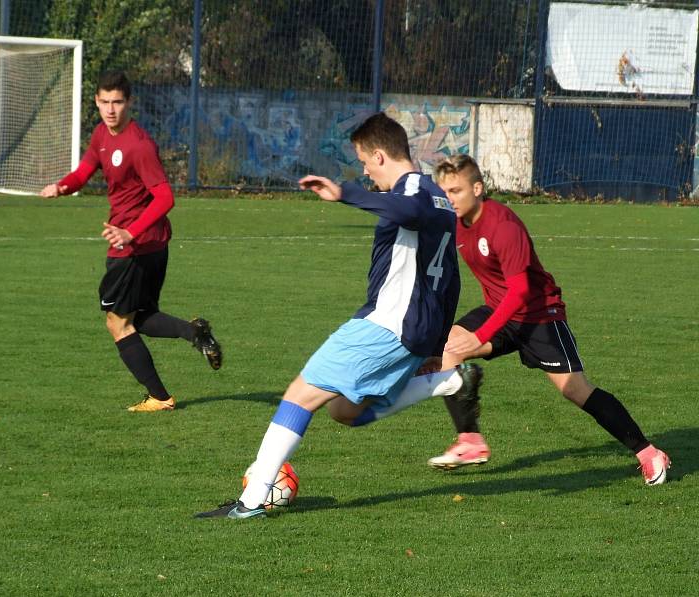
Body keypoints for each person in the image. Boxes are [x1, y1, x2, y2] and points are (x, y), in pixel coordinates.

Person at [196, 112, 480, 520]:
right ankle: (449, 381)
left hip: (387, 324)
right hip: (414, 329)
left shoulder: (416, 189)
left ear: (380, 155)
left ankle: (252, 501)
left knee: (299, 394)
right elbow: (449, 275)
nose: (365, 171)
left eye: (365, 162)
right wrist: (436, 346)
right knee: (343, 411)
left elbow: (409, 213)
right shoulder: (437, 195)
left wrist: (344, 192)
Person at [428, 154, 669, 485]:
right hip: (501, 310)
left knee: (576, 390)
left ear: (478, 188)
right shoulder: (456, 223)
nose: (450, 198)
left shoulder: (502, 226)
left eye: (456, 190)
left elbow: (520, 291)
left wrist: (480, 334)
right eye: (445, 192)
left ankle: (648, 452)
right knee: (447, 348)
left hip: (540, 314)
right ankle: (470, 441)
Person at [39, 71, 222, 412]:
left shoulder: (139, 145)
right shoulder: (101, 135)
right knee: (140, 317)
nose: (111, 110)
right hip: (150, 245)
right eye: (105, 102)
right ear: (96, 102)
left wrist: (129, 233)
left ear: (129, 102)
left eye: (118, 102)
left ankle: (160, 397)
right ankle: (194, 333)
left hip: (133, 246)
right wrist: (63, 186)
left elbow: (165, 197)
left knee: (117, 322)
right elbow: (85, 170)